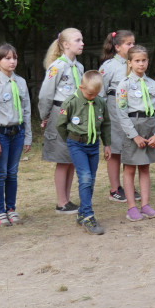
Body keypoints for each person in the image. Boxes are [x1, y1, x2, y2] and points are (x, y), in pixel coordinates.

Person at [56, 71, 111, 235]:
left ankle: (81, 213)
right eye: (89, 93)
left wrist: (107, 145)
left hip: (93, 145)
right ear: (81, 87)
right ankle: (88, 216)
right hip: (76, 144)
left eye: (96, 94)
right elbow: (60, 125)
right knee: (85, 177)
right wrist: (71, 140)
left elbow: (106, 124)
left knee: (91, 180)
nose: (92, 96)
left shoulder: (100, 102)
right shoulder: (71, 102)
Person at [38, 28, 84, 214]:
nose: (82, 43)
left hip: (77, 114)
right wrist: (45, 115)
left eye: (82, 40)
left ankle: (67, 198)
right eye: (78, 40)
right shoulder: (57, 67)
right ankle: (61, 201)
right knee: (62, 158)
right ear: (65, 44)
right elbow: (45, 95)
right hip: (61, 113)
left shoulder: (79, 67)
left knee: (72, 157)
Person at [116, 45, 155, 220]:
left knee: (145, 167)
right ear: (129, 63)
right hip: (133, 128)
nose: (141, 64)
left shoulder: (153, 84)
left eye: (144, 60)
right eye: (137, 61)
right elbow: (121, 113)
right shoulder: (124, 85)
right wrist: (134, 135)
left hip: (150, 126)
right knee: (129, 168)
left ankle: (145, 204)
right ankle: (131, 207)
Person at [0, 43, 31, 227]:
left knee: (12, 173)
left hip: (17, 132)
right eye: (8, 58)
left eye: (15, 58)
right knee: (0, 173)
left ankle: (11, 209)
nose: (12, 62)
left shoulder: (20, 81)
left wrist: (28, 136)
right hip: (1, 134)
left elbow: (27, 109)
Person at [99, 30, 134, 203]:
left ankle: (129, 186)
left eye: (133, 43)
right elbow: (101, 93)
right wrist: (103, 117)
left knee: (129, 149)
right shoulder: (108, 67)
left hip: (131, 113)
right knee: (114, 151)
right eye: (128, 44)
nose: (132, 46)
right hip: (113, 115)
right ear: (117, 46)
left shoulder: (135, 63)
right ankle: (114, 188)